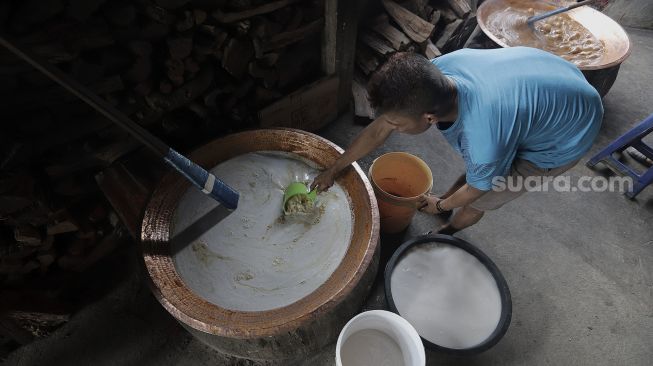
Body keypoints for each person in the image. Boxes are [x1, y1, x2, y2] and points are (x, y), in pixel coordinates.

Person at [311, 46, 603, 234]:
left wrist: (439, 205)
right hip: (555, 79)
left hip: (568, 132)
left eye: (396, 125)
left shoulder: (484, 140)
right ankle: (447, 204)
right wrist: (334, 169)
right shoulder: (436, 72)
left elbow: (478, 189)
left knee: (485, 195)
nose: (390, 129)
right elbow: (376, 130)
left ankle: (446, 232)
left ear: (428, 118)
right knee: (484, 165)